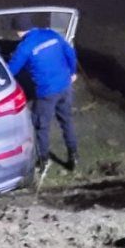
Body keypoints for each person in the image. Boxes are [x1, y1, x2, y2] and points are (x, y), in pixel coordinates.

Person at [8, 14, 78, 174]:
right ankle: (73, 155)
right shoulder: (51, 34)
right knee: (66, 121)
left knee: (41, 126)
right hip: (65, 86)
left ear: (18, 31)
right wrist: (72, 72)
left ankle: (43, 161)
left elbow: (11, 70)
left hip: (46, 93)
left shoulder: (24, 47)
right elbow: (70, 53)